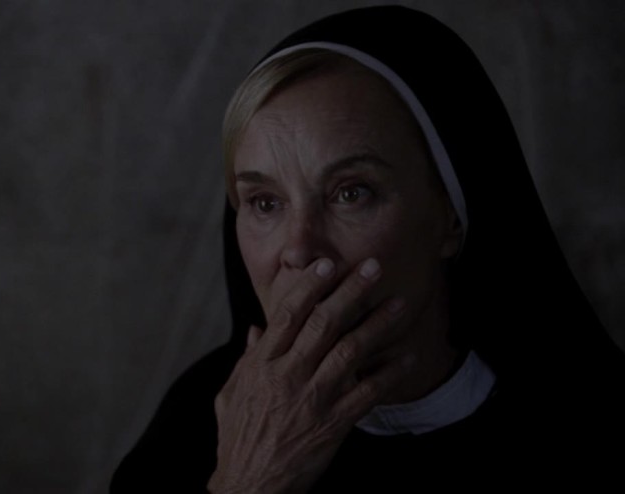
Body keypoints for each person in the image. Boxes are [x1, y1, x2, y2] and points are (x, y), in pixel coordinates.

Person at [111, 6, 625, 491]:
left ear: (451, 215)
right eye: (265, 202)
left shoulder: (589, 427)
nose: (299, 250)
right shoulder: (195, 421)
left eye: (351, 193)